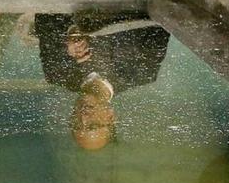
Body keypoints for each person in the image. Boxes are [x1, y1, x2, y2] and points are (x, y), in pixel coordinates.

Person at [35, 10, 169, 150]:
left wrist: (70, 33)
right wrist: (91, 30)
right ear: (110, 117)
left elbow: (43, 15)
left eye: (77, 124)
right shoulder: (143, 72)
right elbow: (162, 16)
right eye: (93, 125)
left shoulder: (56, 73)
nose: (84, 118)